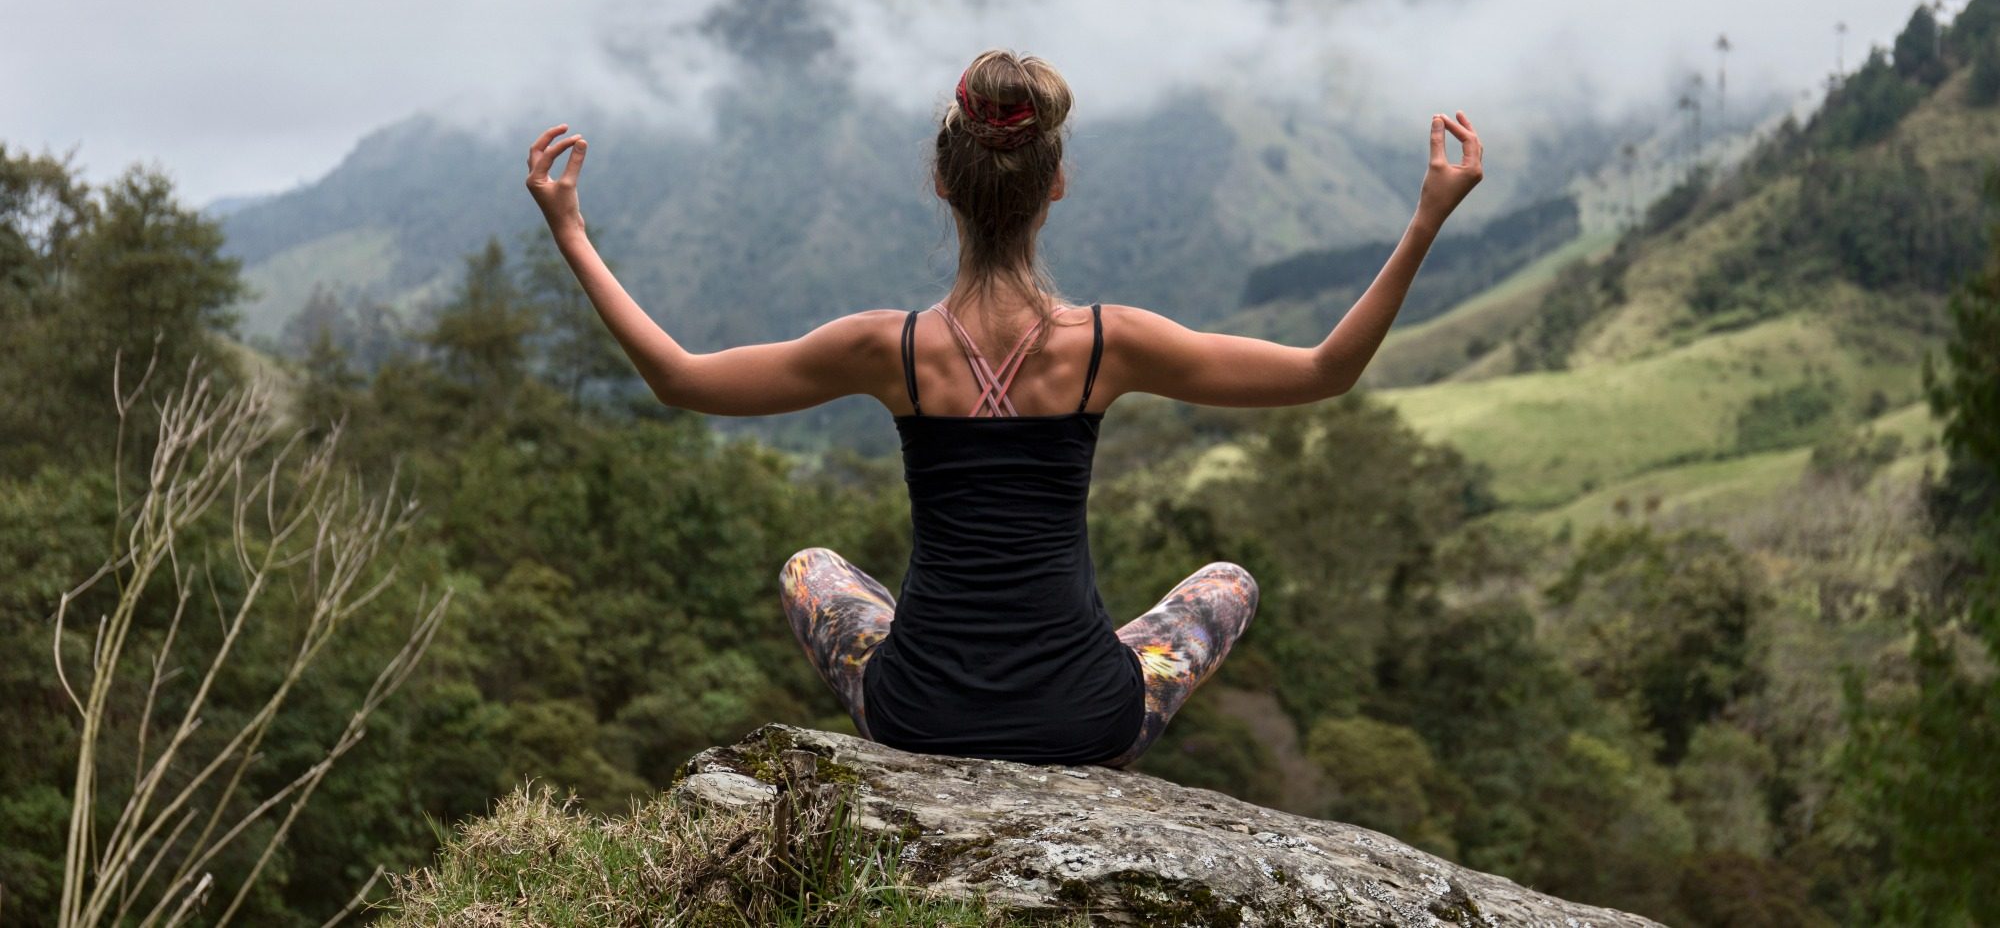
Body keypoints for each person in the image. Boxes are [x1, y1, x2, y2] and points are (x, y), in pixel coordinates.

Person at [524, 50, 1483, 769]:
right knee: (1225, 582)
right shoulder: (1110, 344)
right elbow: (1324, 370)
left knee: (810, 567)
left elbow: (682, 379)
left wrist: (571, 231)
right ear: (1055, 186)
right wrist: (1429, 217)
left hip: (920, 714)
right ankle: (1076, 660)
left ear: (943, 183)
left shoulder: (887, 348)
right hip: (1085, 719)